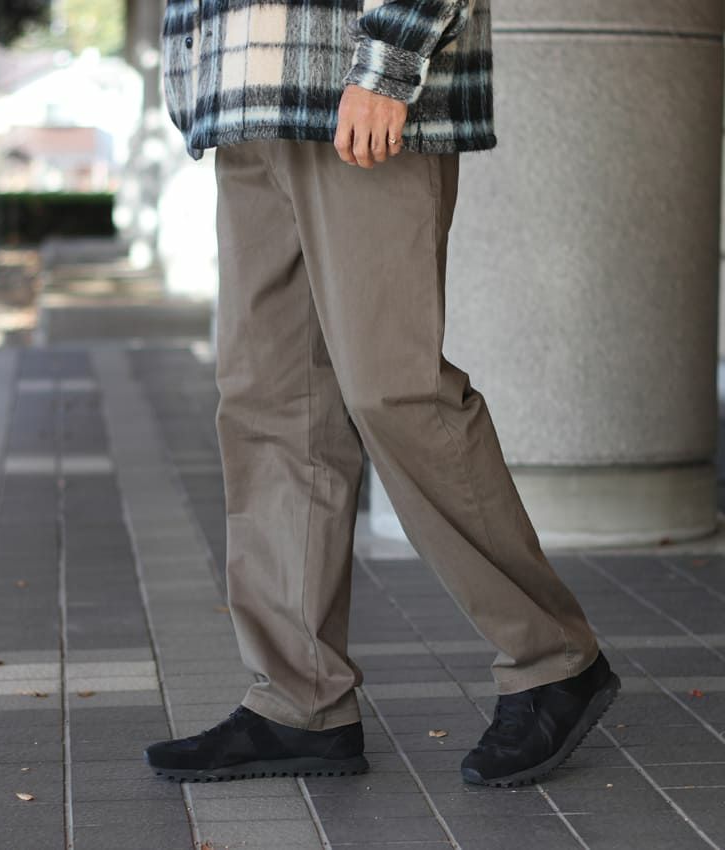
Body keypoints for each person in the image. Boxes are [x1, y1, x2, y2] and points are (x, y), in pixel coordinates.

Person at [144, 0, 620, 788]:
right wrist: (196, 77)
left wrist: (388, 64)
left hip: (352, 87)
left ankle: (553, 658)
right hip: (246, 99)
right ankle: (297, 699)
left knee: (394, 392)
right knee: (268, 404)